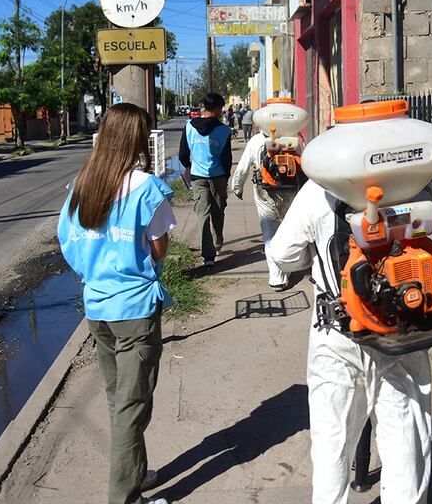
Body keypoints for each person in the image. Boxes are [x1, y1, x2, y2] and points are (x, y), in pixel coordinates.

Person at [268, 179, 432, 504]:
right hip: (399, 330)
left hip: (336, 332)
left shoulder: (319, 189)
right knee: (403, 437)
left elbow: (284, 254)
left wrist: (315, 253)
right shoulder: (411, 181)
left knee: (333, 441)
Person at [56, 103, 175, 504]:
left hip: (97, 308)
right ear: (137, 139)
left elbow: (68, 242)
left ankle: (136, 473)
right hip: (135, 310)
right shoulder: (147, 188)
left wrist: (96, 272)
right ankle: (125, 498)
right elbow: (159, 249)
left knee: (119, 398)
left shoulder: (82, 183)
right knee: (133, 403)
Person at [230, 126, 302, 290]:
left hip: (264, 192)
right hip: (289, 191)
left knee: (270, 234)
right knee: (286, 230)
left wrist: (237, 188)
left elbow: (243, 167)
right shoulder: (293, 139)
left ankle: (276, 278)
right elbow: (303, 165)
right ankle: (286, 270)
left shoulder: (256, 140)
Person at [178, 92, 232, 266]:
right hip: (218, 176)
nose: (222, 111)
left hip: (197, 177)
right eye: (221, 108)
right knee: (218, 212)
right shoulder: (224, 131)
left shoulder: (189, 127)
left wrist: (190, 166)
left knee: (202, 214)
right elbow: (227, 159)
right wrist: (226, 176)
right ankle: (217, 243)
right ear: (216, 109)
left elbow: (183, 154)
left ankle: (208, 256)